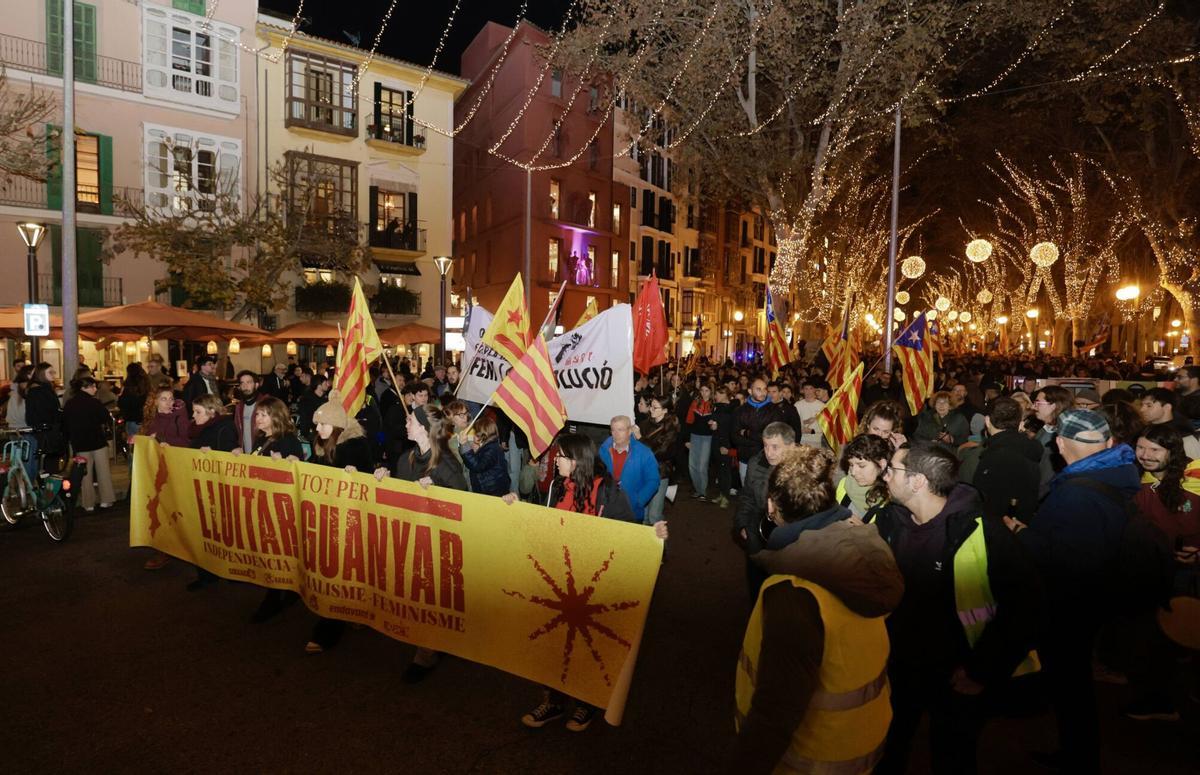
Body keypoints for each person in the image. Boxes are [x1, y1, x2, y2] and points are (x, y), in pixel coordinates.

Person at [874, 441, 1042, 775]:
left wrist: (982, 670)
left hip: (958, 674)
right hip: (895, 667)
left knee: (953, 756)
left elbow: (1027, 607)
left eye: (892, 469)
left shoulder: (982, 532)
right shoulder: (888, 522)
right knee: (885, 749)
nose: (885, 475)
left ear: (918, 481)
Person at [732, 452, 903, 774]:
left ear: (771, 506)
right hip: (859, 741)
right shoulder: (864, 545)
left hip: (811, 757)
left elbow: (776, 711)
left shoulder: (795, 591)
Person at [506, 433, 667, 733]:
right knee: (554, 645)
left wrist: (651, 537)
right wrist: (519, 507)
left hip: (592, 585)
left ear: (578, 460)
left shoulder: (607, 491)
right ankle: (553, 699)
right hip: (558, 582)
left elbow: (628, 531)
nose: (556, 461)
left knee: (585, 646)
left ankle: (585, 702)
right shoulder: (556, 486)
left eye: (562, 456)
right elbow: (545, 524)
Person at [1017, 409, 1140, 774]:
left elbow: (1065, 561)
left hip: (1071, 607)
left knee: (1072, 687)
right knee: (1074, 683)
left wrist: (1024, 537)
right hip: (1096, 598)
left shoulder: (1076, 495)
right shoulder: (1113, 472)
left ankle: (1078, 758)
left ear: (1059, 443)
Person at [378, 405, 468, 682]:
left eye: (410, 420)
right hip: (412, 538)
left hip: (438, 543)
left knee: (431, 595)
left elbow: (464, 503)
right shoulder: (406, 459)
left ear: (425, 428)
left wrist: (438, 492)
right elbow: (400, 496)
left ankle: (426, 655)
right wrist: (385, 479)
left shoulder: (446, 464)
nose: (405, 423)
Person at [1121, 423, 1200, 721]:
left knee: (1177, 638)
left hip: (1185, 576)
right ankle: (1159, 698)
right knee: (1153, 640)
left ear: (1172, 451)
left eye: (1155, 449)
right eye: (1141, 448)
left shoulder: (1193, 478)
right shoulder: (1132, 482)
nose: (1146, 455)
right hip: (1147, 572)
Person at [303, 390, 374, 653]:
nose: (317, 428)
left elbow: (369, 482)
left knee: (344, 573)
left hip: (351, 520)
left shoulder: (355, 446)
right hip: (328, 517)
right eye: (316, 424)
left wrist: (357, 477)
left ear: (336, 425)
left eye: (322, 424)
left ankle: (329, 629)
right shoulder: (322, 444)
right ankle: (354, 614)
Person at [235, 396, 305, 622]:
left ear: (276, 416)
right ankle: (288, 591)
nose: (258, 418)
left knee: (279, 552)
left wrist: (285, 464)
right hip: (262, 504)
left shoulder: (288, 440)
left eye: (264, 414)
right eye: (258, 414)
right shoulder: (261, 439)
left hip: (280, 509)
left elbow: (297, 473)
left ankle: (274, 597)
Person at [733, 422, 797, 602]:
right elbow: (746, 496)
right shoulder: (756, 462)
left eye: (775, 447)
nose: (769, 452)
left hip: (789, 541)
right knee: (757, 584)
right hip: (756, 533)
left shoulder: (803, 470)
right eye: (766, 446)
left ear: (791, 446)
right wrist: (742, 524)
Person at [964, 396, 1044, 527]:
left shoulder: (990, 458)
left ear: (987, 421)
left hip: (994, 532)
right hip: (1021, 529)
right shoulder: (1032, 451)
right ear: (1020, 424)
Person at [62, 376, 115, 513]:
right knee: (103, 472)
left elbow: (65, 423)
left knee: (85, 475)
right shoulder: (95, 402)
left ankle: (88, 503)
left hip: (80, 443)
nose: (95, 389)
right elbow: (105, 418)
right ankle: (106, 500)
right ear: (84, 387)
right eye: (92, 386)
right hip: (97, 441)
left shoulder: (70, 404)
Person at [598, 415, 659, 524]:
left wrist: (638, 501)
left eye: (620, 430)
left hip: (631, 510)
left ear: (630, 431)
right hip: (606, 508)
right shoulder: (603, 451)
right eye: (613, 430)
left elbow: (653, 481)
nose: (616, 434)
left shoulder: (644, 453)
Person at [732, 377, 785, 483]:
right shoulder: (740, 411)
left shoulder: (774, 411)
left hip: (766, 457)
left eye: (764, 389)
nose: (763, 392)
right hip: (745, 457)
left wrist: (747, 433)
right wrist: (758, 439)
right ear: (750, 391)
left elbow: (773, 437)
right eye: (758, 389)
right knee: (746, 485)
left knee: (763, 489)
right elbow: (734, 436)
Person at [639, 396, 680, 526]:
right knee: (643, 515)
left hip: (659, 473)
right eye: (651, 406)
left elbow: (661, 452)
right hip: (643, 473)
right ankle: (645, 546)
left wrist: (640, 438)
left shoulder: (670, 429)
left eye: (655, 407)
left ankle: (662, 545)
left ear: (665, 410)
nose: (651, 409)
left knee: (654, 516)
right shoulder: (645, 424)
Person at [835, 434, 893, 523]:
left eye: (861, 466)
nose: (853, 472)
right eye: (851, 465)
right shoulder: (844, 483)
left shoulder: (890, 503)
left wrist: (864, 531)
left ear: (882, 464)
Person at [1140, 387, 1200, 459]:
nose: (1142, 410)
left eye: (1149, 405)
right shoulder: (1144, 430)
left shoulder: (1183, 435)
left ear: (1167, 407)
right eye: (1142, 405)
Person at [459, 412, 510, 496]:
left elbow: (477, 466)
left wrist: (465, 446)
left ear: (482, 435)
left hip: (493, 492)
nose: (474, 434)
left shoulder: (492, 449)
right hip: (489, 489)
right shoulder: (490, 445)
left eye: (476, 432)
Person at [685, 383, 715, 500]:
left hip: (707, 438)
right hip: (694, 436)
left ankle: (703, 491)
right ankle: (698, 489)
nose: (704, 393)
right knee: (692, 465)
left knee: (702, 465)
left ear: (711, 392)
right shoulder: (695, 403)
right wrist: (687, 439)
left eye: (706, 390)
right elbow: (688, 421)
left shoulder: (714, 405)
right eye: (702, 390)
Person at [710, 386, 737, 507]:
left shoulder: (732, 408)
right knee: (719, 470)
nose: (716, 396)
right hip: (716, 440)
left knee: (726, 470)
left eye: (719, 394)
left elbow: (732, 427)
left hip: (726, 442)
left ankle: (726, 496)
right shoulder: (717, 407)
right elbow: (713, 423)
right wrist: (712, 426)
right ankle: (721, 493)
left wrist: (729, 447)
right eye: (716, 394)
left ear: (726, 394)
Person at [230, 370, 263, 453]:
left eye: (248, 382)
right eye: (242, 383)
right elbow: (236, 431)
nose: (245, 386)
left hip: (264, 455)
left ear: (256, 385)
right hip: (245, 456)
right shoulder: (239, 407)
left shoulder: (267, 404)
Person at [118, 363, 149, 438]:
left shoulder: (129, 387)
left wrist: (120, 396)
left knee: (134, 447)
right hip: (144, 420)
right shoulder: (146, 385)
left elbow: (123, 404)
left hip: (132, 420)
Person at [296, 371, 331, 439]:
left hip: (325, 431)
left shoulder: (326, 398)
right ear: (319, 385)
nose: (328, 385)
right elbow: (305, 419)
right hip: (312, 433)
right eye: (325, 383)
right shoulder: (306, 400)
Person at [793, 378, 825, 448]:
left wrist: (813, 431)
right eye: (806, 389)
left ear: (814, 390)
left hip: (816, 440)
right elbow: (794, 422)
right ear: (802, 390)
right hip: (801, 440)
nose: (809, 391)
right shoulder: (797, 405)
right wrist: (805, 422)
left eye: (811, 388)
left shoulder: (822, 406)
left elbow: (825, 425)